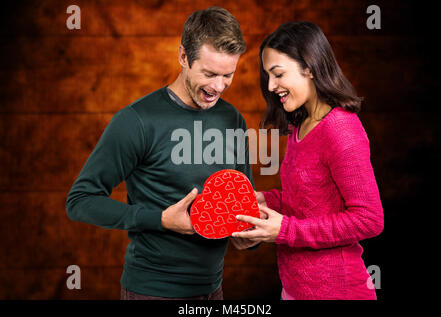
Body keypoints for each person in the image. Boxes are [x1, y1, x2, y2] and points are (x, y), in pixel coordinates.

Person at [66, 7, 257, 300]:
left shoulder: (232, 119)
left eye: (228, 75)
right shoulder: (136, 121)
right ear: (183, 57)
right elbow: (80, 201)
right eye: (209, 73)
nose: (218, 87)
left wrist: (249, 236)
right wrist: (161, 220)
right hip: (152, 292)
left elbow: (243, 202)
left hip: (213, 291)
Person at [232, 21, 384, 300]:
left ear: (310, 68)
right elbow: (310, 200)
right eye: (267, 75)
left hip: (337, 291)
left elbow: (369, 219)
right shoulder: (299, 124)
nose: (270, 85)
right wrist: (267, 202)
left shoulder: (341, 129)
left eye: (277, 74)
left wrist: (285, 230)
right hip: (294, 289)